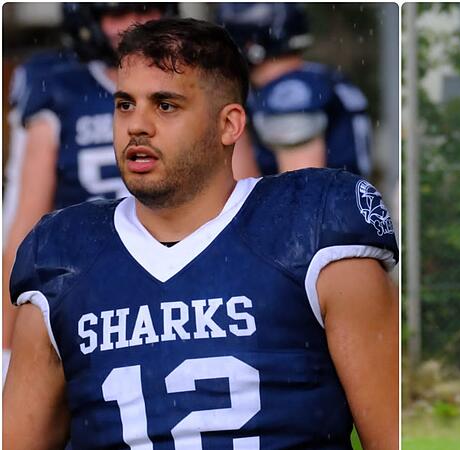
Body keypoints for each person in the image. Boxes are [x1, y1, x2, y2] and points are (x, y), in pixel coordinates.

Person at [3, 17, 398, 450]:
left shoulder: (310, 230)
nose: (137, 125)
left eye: (165, 104)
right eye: (124, 104)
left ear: (229, 124)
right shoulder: (63, 255)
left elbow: (391, 437)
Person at [2, 3, 175, 383]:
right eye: (115, 14)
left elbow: (239, 192)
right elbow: (25, 226)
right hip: (87, 280)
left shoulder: (193, 81)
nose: (130, 27)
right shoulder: (60, 88)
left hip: (181, 264)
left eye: (143, 10)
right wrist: (6, 345)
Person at [217, 3, 373, 177]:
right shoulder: (316, 77)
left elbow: (300, 194)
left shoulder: (290, 92)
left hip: (325, 203)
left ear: (250, 46)